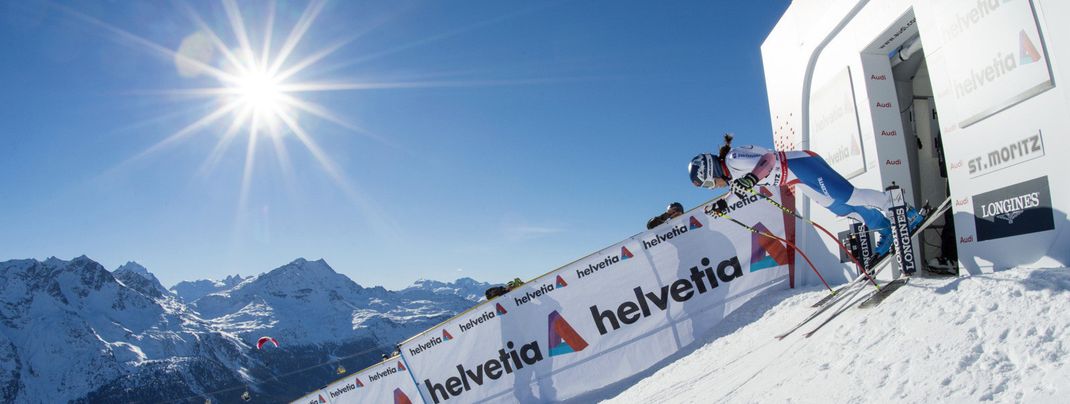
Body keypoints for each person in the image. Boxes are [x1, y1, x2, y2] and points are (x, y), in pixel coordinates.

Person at [690, 134, 924, 256]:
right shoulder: (732, 173)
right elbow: (736, 191)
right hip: (797, 178)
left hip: (804, 166)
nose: (713, 186)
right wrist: (723, 205)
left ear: (711, 170)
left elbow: (769, 159)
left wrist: (752, 179)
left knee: (850, 196)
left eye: (709, 183)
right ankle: (883, 227)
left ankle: (904, 211)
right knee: (840, 208)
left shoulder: (734, 159)